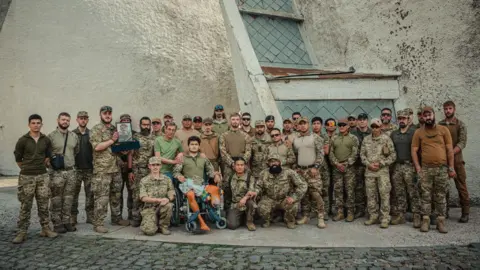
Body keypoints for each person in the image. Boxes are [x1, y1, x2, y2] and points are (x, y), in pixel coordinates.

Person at [12, 114, 58, 244]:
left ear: (41, 124)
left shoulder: (46, 140)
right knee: (26, 204)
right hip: (27, 177)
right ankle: (22, 231)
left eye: (38, 123)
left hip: (43, 176)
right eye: (33, 123)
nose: (36, 125)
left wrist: (40, 167)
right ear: (29, 125)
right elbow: (18, 159)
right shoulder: (23, 140)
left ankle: (45, 228)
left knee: (43, 203)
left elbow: (48, 156)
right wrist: (27, 168)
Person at [412, 106, 456, 233]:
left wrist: (451, 167)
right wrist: (418, 167)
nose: (427, 117)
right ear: (422, 118)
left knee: (441, 196)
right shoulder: (418, 132)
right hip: (426, 169)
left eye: (429, 115)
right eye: (425, 116)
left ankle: (440, 221)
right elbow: (414, 150)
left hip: (441, 169)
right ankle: (425, 220)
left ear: (433, 115)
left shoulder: (443, 130)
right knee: (425, 196)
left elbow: (449, 150)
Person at [89, 106, 130, 233]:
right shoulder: (96, 129)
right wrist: (112, 140)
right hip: (102, 170)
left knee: (116, 195)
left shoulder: (115, 128)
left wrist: (127, 146)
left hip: (115, 168)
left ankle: (116, 218)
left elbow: (117, 149)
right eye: (105, 113)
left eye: (109, 113)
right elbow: (97, 147)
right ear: (100, 114)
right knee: (102, 198)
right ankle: (98, 223)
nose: (107, 115)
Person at [173, 136, 221, 231]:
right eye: (192, 144)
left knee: (215, 190)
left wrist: (215, 175)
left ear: (199, 146)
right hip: (187, 183)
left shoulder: (203, 158)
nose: (194, 146)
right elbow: (175, 172)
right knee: (190, 194)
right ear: (188, 146)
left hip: (200, 184)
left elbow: (210, 171)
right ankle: (201, 222)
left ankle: (213, 212)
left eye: (196, 144)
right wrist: (179, 176)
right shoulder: (183, 158)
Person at [250, 153, 307, 229]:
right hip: (269, 198)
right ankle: (267, 220)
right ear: (268, 163)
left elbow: (302, 185)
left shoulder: (289, 172)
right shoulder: (264, 173)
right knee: (261, 207)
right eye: (271, 161)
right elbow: (258, 186)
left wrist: (294, 197)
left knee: (293, 205)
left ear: (280, 162)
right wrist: (255, 192)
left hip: (284, 199)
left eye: (276, 161)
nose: (274, 163)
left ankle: (290, 221)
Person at [361, 118, 396, 228]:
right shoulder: (366, 139)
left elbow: (393, 155)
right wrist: (368, 164)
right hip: (370, 172)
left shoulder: (386, 139)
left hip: (382, 172)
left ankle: (385, 218)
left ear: (380, 127)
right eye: (373, 126)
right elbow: (362, 155)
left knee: (384, 195)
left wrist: (381, 163)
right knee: (371, 195)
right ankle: (373, 216)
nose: (375, 129)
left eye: (377, 126)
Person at [48, 112, 79, 233]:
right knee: (56, 198)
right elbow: (47, 154)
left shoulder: (74, 136)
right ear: (58, 120)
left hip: (71, 172)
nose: (65, 122)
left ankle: (67, 221)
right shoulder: (51, 136)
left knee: (69, 198)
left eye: (67, 120)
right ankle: (57, 223)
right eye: (63, 119)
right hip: (56, 172)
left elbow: (76, 151)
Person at [439, 100, 470, 223]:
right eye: (446, 109)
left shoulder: (460, 124)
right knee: (443, 188)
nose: (447, 111)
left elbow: (462, 142)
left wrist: (451, 152)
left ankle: (465, 212)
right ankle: (444, 211)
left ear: (454, 109)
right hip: (442, 161)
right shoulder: (440, 125)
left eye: (450, 109)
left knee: (461, 186)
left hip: (457, 161)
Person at [293, 117, 326, 229]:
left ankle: (321, 217)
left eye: (305, 123)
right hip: (301, 171)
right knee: (304, 194)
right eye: (300, 124)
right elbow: (295, 155)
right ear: (297, 126)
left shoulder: (315, 137)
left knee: (316, 194)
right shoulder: (296, 139)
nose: (303, 126)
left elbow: (321, 154)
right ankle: (306, 216)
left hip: (312, 170)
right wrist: (296, 167)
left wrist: (316, 167)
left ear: (308, 125)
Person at [390, 110, 420, 227]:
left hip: (410, 166)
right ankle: (401, 215)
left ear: (408, 120)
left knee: (413, 192)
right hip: (398, 166)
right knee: (399, 192)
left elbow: (419, 150)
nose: (402, 120)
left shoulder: (414, 133)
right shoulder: (394, 134)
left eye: (404, 118)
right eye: (400, 118)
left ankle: (416, 215)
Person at [219, 113, 252, 210]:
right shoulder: (224, 136)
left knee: (244, 186)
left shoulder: (245, 136)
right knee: (227, 186)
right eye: (233, 119)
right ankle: (228, 209)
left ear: (240, 121)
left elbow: (248, 151)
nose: (235, 121)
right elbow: (223, 151)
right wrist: (232, 163)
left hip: (242, 164)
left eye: (237, 119)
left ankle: (245, 209)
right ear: (230, 121)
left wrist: (241, 163)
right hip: (229, 165)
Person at [329, 118, 359, 222]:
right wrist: (337, 163)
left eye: (343, 125)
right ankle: (340, 212)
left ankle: (350, 212)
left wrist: (346, 164)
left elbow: (355, 153)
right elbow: (331, 152)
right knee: (338, 191)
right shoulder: (334, 138)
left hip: (349, 168)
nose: (341, 127)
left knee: (350, 190)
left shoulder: (353, 138)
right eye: (340, 125)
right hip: (337, 168)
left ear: (348, 127)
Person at [128, 117, 155, 227]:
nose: (146, 127)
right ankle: (136, 218)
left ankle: (147, 218)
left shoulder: (154, 138)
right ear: (140, 125)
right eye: (144, 125)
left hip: (150, 171)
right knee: (136, 195)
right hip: (137, 170)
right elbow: (130, 154)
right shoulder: (135, 137)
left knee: (149, 195)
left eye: (148, 124)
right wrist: (130, 170)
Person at [139, 157, 175, 236]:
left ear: (160, 166)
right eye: (153, 165)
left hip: (163, 206)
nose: (155, 167)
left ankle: (163, 227)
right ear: (149, 166)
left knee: (169, 206)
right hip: (149, 208)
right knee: (150, 232)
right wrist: (158, 200)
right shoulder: (144, 180)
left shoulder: (167, 179)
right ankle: (152, 222)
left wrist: (168, 199)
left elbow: (171, 191)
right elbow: (143, 198)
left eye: (157, 165)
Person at [72, 111, 94, 227]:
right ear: (77, 120)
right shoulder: (72, 134)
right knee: (73, 195)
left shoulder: (91, 134)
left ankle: (90, 217)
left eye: (85, 118)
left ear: (88, 120)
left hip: (89, 169)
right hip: (76, 169)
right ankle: (73, 217)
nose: (83, 120)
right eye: (81, 118)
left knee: (90, 195)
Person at [226, 158, 256, 231]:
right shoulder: (230, 177)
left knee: (251, 203)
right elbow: (227, 191)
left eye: (242, 165)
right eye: (238, 165)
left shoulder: (249, 177)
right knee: (231, 225)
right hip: (235, 204)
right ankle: (241, 218)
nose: (239, 167)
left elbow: (251, 191)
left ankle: (249, 222)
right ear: (234, 166)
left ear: (245, 166)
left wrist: (245, 198)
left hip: (246, 203)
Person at [351, 113, 371, 218]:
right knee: (358, 187)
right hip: (358, 165)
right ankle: (360, 209)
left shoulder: (372, 132)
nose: (362, 121)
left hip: (369, 165)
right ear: (357, 121)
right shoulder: (353, 133)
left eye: (364, 119)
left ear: (367, 121)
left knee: (370, 188)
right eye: (360, 119)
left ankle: (371, 209)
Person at [311, 116, 331, 219]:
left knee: (324, 190)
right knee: (314, 190)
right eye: (314, 123)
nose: (316, 125)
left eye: (318, 123)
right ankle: (315, 211)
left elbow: (326, 151)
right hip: (312, 167)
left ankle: (325, 211)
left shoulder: (325, 136)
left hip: (323, 167)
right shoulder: (309, 136)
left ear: (321, 125)